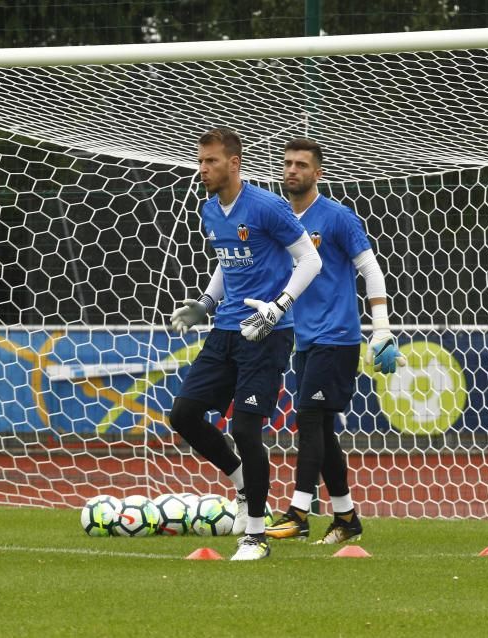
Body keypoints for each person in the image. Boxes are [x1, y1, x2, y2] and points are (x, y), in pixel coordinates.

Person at [167, 127, 322, 561]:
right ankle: (239, 481)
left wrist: (278, 306)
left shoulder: (268, 207)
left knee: (246, 428)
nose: (203, 169)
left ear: (233, 163)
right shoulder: (209, 210)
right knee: (184, 414)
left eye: (211, 162)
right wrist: (204, 303)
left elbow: (311, 259)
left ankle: (255, 535)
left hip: (268, 332)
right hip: (227, 330)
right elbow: (226, 261)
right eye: (200, 161)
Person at [265, 137, 405, 544]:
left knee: (308, 419)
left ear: (318, 172)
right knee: (322, 430)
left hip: (338, 337)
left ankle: (299, 512)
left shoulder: (337, 217)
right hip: (305, 340)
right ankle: (346, 518)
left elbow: (372, 270)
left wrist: (381, 328)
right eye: (288, 163)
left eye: (301, 165)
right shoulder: (280, 220)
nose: (292, 170)